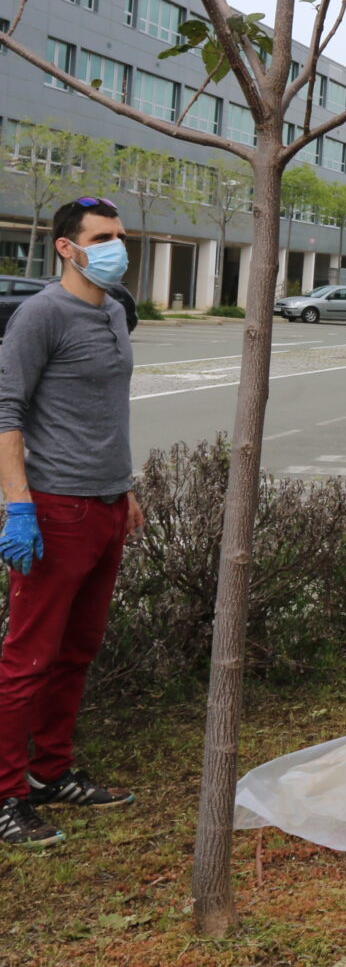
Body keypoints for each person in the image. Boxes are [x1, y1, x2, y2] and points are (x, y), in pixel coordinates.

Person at [0, 196, 144, 849]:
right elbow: (6, 412)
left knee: (76, 652)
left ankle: (51, 770)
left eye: (120, 234)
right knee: (28, 656)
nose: (118, 245)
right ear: (67, 246)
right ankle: (5, 794)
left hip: (108, 506)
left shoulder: (113, 310)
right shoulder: (40, 315)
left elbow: (106, 410)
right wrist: (19, 505)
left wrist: (126, 487)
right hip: (55, 510)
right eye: (103, 236)